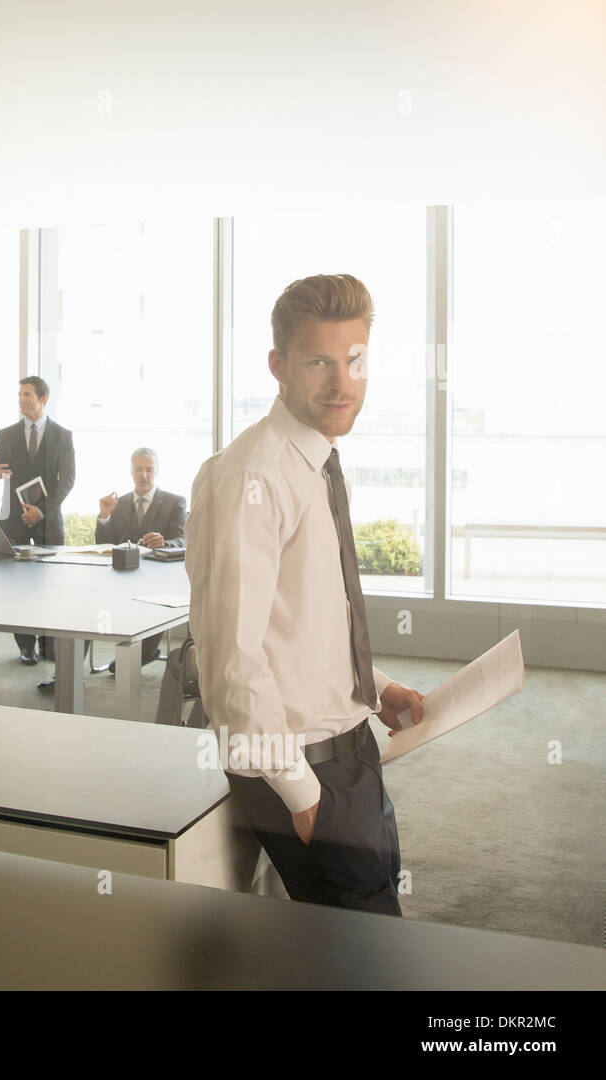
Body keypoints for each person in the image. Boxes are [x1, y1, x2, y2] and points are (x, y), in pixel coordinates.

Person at [185, 273, 425, 916]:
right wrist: (301, 792)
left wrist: (372, 687)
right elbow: (230, 657)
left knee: (362, 936)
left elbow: (305, 626)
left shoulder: (313, 463)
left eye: (355, 360)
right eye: (319, 360)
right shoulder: (250, 477)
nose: (342, 381)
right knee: (365, 956)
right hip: (304, 764)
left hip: (349, 750)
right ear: (278, 366)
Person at [0, 376, 76, 665]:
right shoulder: (7, 434)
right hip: (13, 521)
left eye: (27, 395)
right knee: (18, 588)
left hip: (48, 521)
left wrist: (43, 510)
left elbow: (68, 480)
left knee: (50, 586)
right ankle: (26, 646)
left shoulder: (62, 436)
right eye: (19, 394)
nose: (22, 399)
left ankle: (49, 646)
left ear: (43, 398)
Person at [94, 447, 187, 668]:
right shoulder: (119, 503)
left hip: (157, 580)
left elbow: (182, 541)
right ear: (131, 472)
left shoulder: (175, 502)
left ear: (157, 471)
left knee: (152, 601)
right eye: (138, 469)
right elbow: (103, 544)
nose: (144, 475)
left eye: (149, 469)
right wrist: (104, 516)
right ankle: (68, 672)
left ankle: (145, 652)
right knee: (88, 597)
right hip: (120, 579)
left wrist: (164, 542)